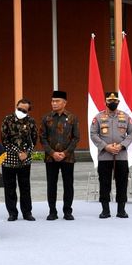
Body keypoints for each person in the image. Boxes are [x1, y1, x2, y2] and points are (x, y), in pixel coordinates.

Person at [90, 92, 132, 219]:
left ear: (118, 102)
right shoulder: (98, 117)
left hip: (121, 156)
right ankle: (105, 210)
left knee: (122, 183)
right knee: (104, 182)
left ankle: (121, 210)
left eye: (115, 101)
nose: (112, 103)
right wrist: (106, 146)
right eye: (110, 101)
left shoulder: (125, 117)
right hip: (105, 156)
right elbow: (93, 134)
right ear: (106, 102)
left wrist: (122, 145)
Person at [40, 90, 80, 221]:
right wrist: (52, 153)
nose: (54, 103)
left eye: (57, 101)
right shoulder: (46, 118)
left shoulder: (72, 118)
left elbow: (76, 138)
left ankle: (67, 211)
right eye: (52, 101)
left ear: (64, 103)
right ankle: (52, 211)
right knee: (51, 185)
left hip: (67, 157)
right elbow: (42, 138)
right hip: (51, 158)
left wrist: (65, 153)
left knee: (68, 185)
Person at [0, 98, 38, 221]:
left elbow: (34, 140)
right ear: (16, 106)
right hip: (9, 160)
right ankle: (12, 213)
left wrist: (26, 153)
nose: (20, 111)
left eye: (24, 110)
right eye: (19, 108)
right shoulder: (7, 119)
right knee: (10, 187)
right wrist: (18, 152)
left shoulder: (31, 121)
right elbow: (4, 140)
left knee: (25, 187)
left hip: (25, 161)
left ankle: (27, 213)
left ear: (28, 111)